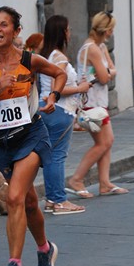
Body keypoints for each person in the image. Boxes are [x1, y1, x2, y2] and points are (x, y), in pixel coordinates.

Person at [0, 6, 67, 266]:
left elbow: (59, 73)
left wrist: (53, 97)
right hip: (1, 141)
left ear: (16, 31)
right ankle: (45, 250)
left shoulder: (30, 60)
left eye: (3, 25)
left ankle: (14, 265)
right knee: (28, 201)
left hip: (31, 135)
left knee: (13, 197)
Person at [66, 11, 129, 197]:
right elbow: (105, 75)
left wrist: (109, 72)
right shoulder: (92, 48)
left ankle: (105, 182)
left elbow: (110, 69)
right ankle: (77, 178)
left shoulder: (99, 47)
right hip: (92, 103)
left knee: (106, 142)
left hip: (99, 102)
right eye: (111, 29)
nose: (112, 33)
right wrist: (109, 72)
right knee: (104, 142)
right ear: (106, 30)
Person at [39, 15, 91, 215]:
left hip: (49, 109)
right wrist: (81, 87)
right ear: (63, 33)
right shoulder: (59, 58)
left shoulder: (47, 55)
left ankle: (52, 199)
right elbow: (56, 87)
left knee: (51, 156)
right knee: (57, 156)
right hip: (60, 110)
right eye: (68, 29)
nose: (70, 33)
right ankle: (59, 200)